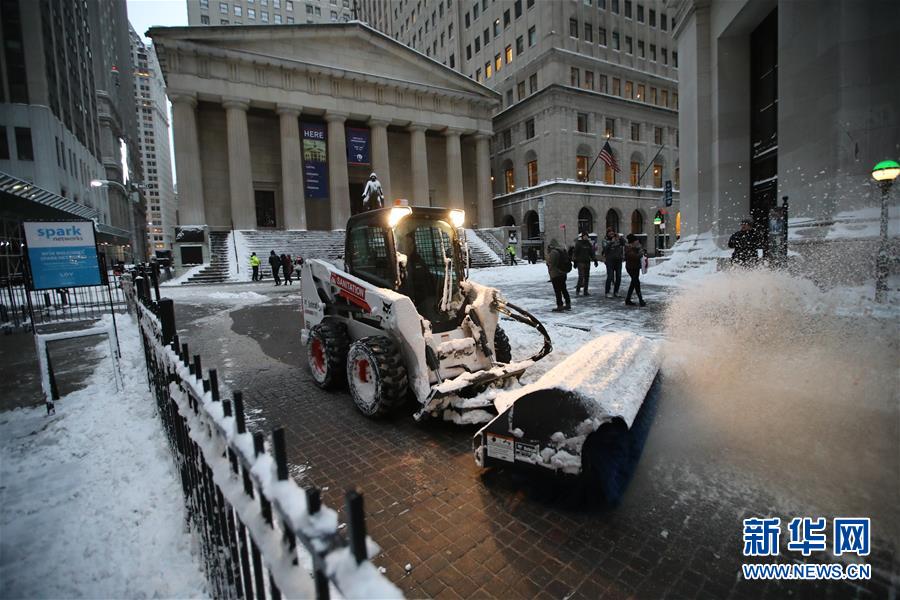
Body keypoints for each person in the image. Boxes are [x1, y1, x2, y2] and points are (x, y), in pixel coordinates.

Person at [546, 238, 572, 312]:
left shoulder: (553, 252)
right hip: (563, 273)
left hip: (556, 273)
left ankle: (559, 305)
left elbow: (551, 263)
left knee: (557, 291)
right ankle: (568, 303)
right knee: (564, 289)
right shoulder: (562, 250)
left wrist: (549, 268)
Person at [602, 227, 626, 298]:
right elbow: (605, 249)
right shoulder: (605, 240)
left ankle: (616, 291)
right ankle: (607, 292)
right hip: (610, 260)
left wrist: (620, 238)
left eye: (612, 232)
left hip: (618, 260)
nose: (611, 233)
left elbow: (624, 243)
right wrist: (611, 242)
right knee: (610, 276)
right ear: (607, 233)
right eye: (610, 232)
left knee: (618, 277)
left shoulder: (618, 239)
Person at [624, 234, 646, 307]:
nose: (637, 241)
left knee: (633, 283)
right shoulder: (628, 248)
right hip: (631, 268)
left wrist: (640, 250)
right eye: (636, 240)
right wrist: (641, 253)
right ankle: (640, 300)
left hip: (636, 267)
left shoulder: (635, 247)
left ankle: (628, 299)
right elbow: (634, 256)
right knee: (636, 283)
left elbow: (638, 254)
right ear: (633, 241)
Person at [573, 232, 598, 296]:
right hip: (580, 262)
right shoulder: (579, 243)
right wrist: (575, 261)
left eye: (586, 236)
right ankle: (578, 291)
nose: (585, 237)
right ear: (582, 237)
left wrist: (595, 260)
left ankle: (585, 291)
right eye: (584, 236)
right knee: (581, 276)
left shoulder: (588, 244)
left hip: (587, 262)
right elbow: (575, 252)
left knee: (587, 277)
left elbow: (591, 253)